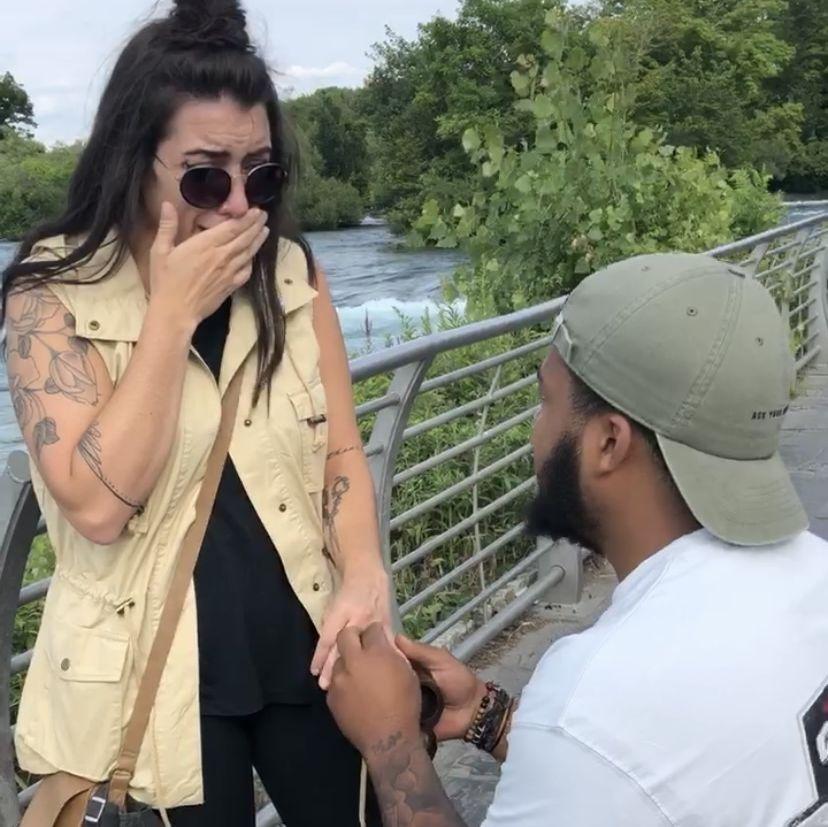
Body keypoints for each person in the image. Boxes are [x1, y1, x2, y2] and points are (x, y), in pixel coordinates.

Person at [3, 1, 388, 824]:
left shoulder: (290, 272)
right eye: (207, 175)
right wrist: (171, 314)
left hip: (308, 650)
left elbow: (343, 454)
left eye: (264, 174)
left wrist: (363, 570)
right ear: (135, 159)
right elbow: (99, 505)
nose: (239, 206)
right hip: (151, 678)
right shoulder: (49, 292)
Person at [327, 253, 828, 827]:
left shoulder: (599, 700)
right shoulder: (816, 574)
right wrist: (484, 715)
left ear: (609, 443)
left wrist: (392, 745)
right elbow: (662, 780)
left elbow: (612, 747)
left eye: (546, 401)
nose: (535, 432)